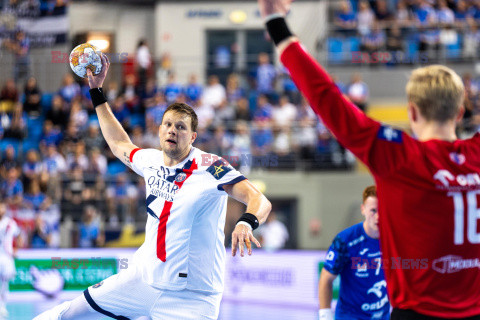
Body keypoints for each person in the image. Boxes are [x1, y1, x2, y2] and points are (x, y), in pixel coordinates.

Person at [258, 0, 480, 318]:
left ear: (412, 112)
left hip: (416, 312)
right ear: (460, 112)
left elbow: (325, 95)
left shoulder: (398, 155)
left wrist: (274, 20)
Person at [34, 54, 271, 320]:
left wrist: (246, 222)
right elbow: (118, 144)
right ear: (159, 130)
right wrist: (96, 92)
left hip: (193, 297)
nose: (172, 130)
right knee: (64, 314)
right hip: (141, 281)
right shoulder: (150, 160)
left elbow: (258, 199)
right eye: (168, 124)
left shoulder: (211, 166)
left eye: (181, 127)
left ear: (192, 136)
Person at [318, 186, 388, 320]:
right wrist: (325, 315)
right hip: (350, 316)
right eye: (373, 210)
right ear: (363, 209)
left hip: (382, 316)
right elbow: (326, 279)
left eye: (382, 210)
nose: (378, 216)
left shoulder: (393, 240)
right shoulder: (345, 240)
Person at [0, 203, 22, 319]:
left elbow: (18, 235)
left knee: (5, 283)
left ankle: (2, 306)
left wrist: (16, 248)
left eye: (2, 206)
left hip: (6, 257)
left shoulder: (10, 223)